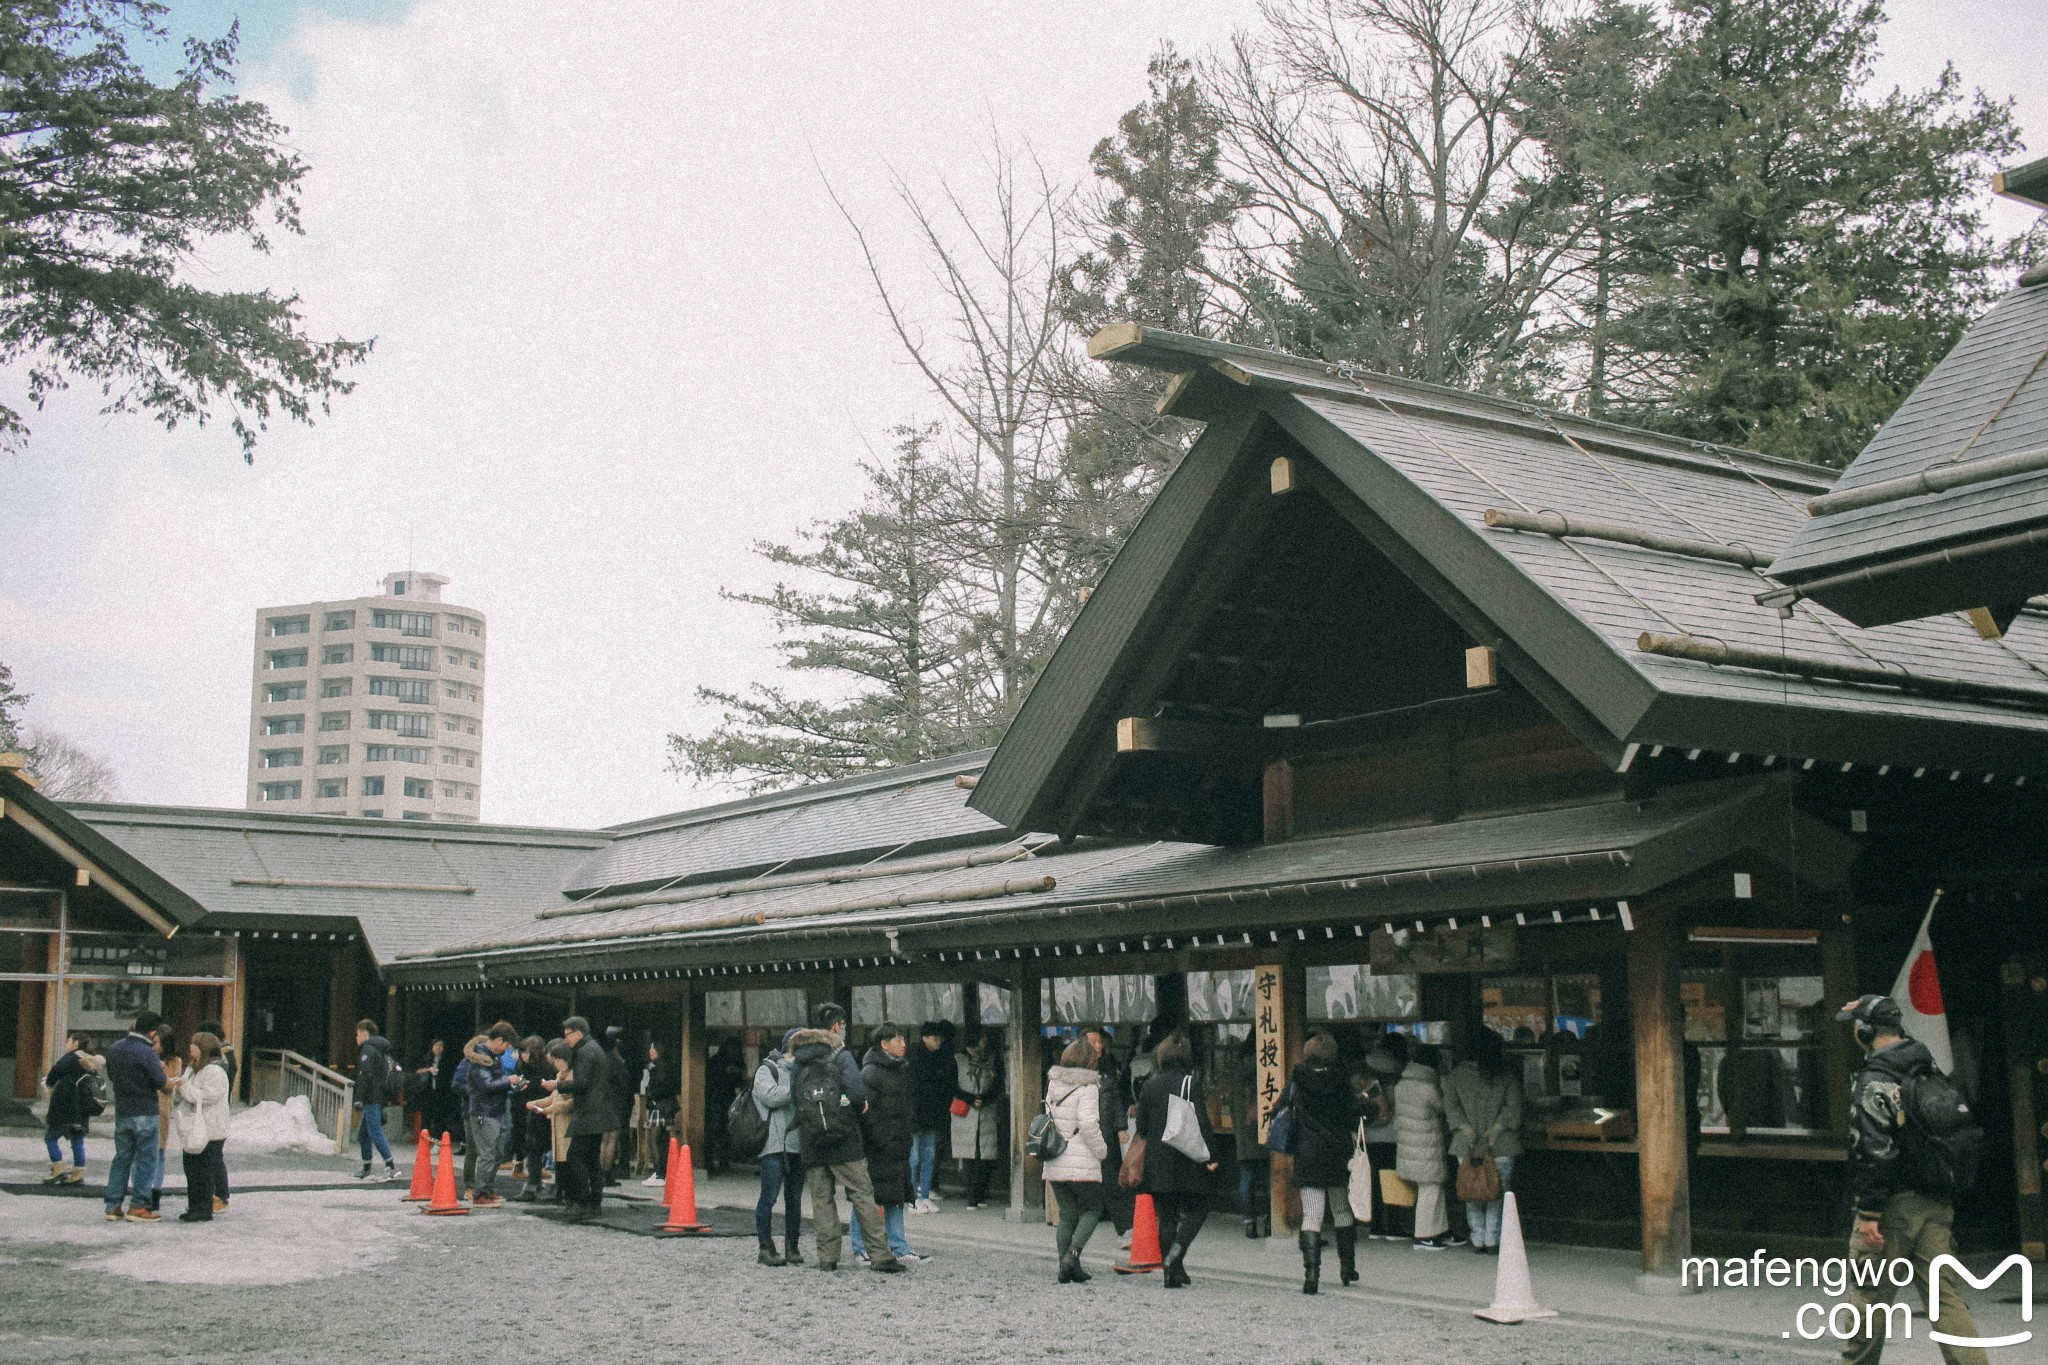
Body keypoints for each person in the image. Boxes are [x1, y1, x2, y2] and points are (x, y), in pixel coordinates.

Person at [1834, 994, 1989, 1365]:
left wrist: (1869, 1212)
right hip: (1936, 1203)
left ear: (1865, 1032)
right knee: (1945, 1298)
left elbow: (1872, 1150)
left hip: (1890, 1209)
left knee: (1869, 1300)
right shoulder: (1929, 1069)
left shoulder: (1874, 1081)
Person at [789, 1002, 903, 1273]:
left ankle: (828, 1257)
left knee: (821, 1199)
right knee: (862, 1194)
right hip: (844, 1139)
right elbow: (857, 1092)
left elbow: (794, 1096)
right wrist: (856, 1104)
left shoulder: (800, 1059)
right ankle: (880, 1254)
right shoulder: (840, 1055)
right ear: (837, 1026)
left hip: (812, 1139)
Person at [1135, 1029, 1219, 1289]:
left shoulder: (1150, 1084)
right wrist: (1212, 1155)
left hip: (1157, 1160)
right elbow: (1201, 1122)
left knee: (1168, 1214)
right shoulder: (1190, 1083)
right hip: (1185, 1158)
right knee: (1200, 1206)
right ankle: (1176, 1255)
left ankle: (1172, 1271)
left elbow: (1142, 1125)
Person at [1286, 1029, 1366, 1293]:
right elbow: (1352, 1113)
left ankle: (1311, 1275)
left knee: (1312, 1214)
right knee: (1342, 1210)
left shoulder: (1297, 1079)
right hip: (1336, 1152)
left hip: (1307, 1153)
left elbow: (1281, 1108)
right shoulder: (1341, 1080)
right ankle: (1347, 1267)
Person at [1443, 1028, 1523, 1256]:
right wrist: (1499, 1126)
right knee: (1497, 1192)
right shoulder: (1506, 1075)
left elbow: (1450, 1105)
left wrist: (1463, 1125)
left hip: (1465, 1144)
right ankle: (1492, 1239)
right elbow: (1514, 1107)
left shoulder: (1456, 1075)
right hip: (1501, 1143)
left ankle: (1477, 1238)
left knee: (1472, 1192)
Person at [851, 1024, 925, 1265]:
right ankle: (860, 1245)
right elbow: (864, 1111)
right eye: (898, 1040)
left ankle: (898, 1245)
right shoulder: (870, 1073)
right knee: (869, 1197)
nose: (904, 1044)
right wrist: (881, 1137)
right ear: (884, 1044)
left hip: (899, 1143)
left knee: (897, 1195)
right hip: (878, 1146)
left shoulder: (902, 1069)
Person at [1043, 1036, 1111, 1283]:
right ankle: (1073, 1255)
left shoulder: (1054, 1084)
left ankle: (1066, 1266)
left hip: (1054, 1158)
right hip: (1080, 1158)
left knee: (1068, 1212)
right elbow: (1088, 1125)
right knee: (1093, 1209)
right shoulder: (1088, 1087)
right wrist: (1102, 1151)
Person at [102, 1010, 168, 1223]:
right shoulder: (148, 1053)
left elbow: (112, 1076)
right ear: (152, 1032)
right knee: (146, 1160)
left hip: (123, 1111)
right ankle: (139, 1205)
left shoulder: (114, 1048)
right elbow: (161, 1083)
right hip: (146, 1111)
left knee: (122, 1158)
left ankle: (113, 1205)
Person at [1395, 1042, 1462, 1250]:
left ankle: (1440, 1230)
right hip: (1426, 1146)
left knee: (1434, 1188)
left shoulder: (1401, 1084)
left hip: (1408, 1147)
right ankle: (1424, 1235)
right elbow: (1444, 1108)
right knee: (1430, 1189)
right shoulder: (1429, 1087)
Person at [549, 1015, 615, 1222]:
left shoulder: (584, 1052)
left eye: (567, 1035)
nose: (565, 1039)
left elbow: (582, 1084)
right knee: (591, 1159)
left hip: (588, 1113)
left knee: (575, 1157)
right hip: (599, 1112)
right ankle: (594, 1202)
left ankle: (581, 1201)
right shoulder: (595, 1048)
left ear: (577, 1033)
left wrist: (557, 1086)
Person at [752, 1027, 804, 1266]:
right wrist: (798, 1089)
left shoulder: (804, 1071)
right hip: (773, 1143)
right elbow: (770, 1096)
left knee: (794, 1199)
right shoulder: (767, 1069)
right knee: (769, 1197)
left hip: (797, 1144)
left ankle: (792, 1246)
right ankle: (765, 1247)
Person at [170, 1032, 230, 1223]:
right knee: (192, 1168)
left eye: (194, 1044)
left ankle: (203, 1209)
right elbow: (187, 1095)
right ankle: (195, 1206)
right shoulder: (192, 1069)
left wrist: (185, 1088)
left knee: (204, 1170)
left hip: (211, 1129)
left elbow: (207, 1096)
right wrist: (178, 1088)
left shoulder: (215, 1071)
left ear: (203, 1047)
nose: (190, 1047)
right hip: (195, 1127)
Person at [456, 1022, 517, 1208]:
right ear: (499, 1040)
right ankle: (480, 1193)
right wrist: (509, 1081)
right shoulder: (479, 1058)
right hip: (483, 1112)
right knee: (487, 1154)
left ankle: (488, 1189)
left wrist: (511, 1083)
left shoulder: (492, 1056)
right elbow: (487, 1085)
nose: (507, 1049)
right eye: (507, 1045)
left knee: (497, 1153)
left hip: (494, 1110)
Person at [1081, 1024, 1132, 1242]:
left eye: (1100, 1041)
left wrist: (1121, 1126)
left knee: (1112, 1181)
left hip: (1106, 1131)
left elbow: (1116, 1098)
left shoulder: (1108, 1066)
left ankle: (1125, 1229)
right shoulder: (1075, 1071)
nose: (1098, 1046)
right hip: (1083, 1133)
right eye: (1093, 1042)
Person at [1363, 1032, 1409, 1240]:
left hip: (1369, 1133)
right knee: (1392, 1178)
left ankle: (1375, 1225)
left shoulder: (1368, 1064)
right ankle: (1394, 1224)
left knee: (1373, 1180)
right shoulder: (1398, 1068)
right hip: (1391, 1134)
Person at [41, 1033, 103, 1186]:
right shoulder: (91, 1061)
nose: (67, 1044)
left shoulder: (70, 1058)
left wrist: (48, 1083)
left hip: (64, 1107)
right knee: (77, 1140)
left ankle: (58, 1168)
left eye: (68, 1041)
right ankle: (78, 1173)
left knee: (50, 1137)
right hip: (82, 1109)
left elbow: (53, 1075)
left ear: (75, 1043)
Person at [906, 1021, 954, 1213]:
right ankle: (912, 1198)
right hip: (916, 1115)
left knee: (929, 1156)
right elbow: (910, 1091)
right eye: (935, 1038)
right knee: (915, 1157)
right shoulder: (913, 1059)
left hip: (933, 1115)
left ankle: (924, 1195)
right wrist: (911, 1116)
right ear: (924, 1038)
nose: (938, 1042)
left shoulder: (941, 1058)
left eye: (940, 1038)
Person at [952, 1032, 1003, 1208]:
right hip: (965, 1110)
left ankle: (981, 1194)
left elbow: (998, 1085)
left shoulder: (992, 1060)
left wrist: (984, 1099)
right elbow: (951, 1086)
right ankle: (972, 1196)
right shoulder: (958, 1060)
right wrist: (970, 1099)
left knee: (985, 1155)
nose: (983, 1046)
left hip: (986, 1109)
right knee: (968, 1155)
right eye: (981, 1041)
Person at [525, 1040, 576, 1204]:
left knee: (566, 1158)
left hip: (566, 1123)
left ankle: (566, 1192)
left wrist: (549, 1109)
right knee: (559, 1158)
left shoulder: (571, 1076)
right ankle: (560, 1190)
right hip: (557, 1123)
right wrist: (536, 1103)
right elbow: (552, 1097)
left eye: (556, 1060)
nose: (553, 1063)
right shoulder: (560, 1076)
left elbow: (571, 1102)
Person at [196, 1018, 237, 1212]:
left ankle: (221, 1195)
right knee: (214, 1155)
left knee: (214, 1156)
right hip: (217, 1113)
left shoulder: (222, 1060)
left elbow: (213, 1091)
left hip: (216, 1113)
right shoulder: (225, 1057)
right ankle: (216, 1194)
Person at [353, 1019, 400, 1182]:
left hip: (372, 1097)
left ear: (365, 1034)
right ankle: (366, 1167)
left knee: (374, 1132)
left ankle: (391, 1166)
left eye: (357, 1034)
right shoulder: (382, 1050)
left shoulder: (368, 1049)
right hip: (379, 1095)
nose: (356, 1038)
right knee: (363, 1134)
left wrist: (359, 1098)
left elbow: (365, 1075)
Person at [513, 1035, 551, 1201]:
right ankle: (534, 1184)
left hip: (541, 1113)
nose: (523, 1055)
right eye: (521, 1052)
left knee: (534, 1148)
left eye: (526, 1052)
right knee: (531, 1149)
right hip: (523, 1112)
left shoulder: (547, 1070)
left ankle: (533, 1185)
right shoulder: (521, 1068)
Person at [149, 1024, 182, 1215]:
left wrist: (160, 1070)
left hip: (162, 1107)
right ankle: (144, 1189)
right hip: (148, 1105)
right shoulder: (148, 1056)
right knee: (145, 1150)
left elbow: (170, 1086)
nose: (153, 1045)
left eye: (157, 1042)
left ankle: (155, 1191)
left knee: (159, 1150)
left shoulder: (174, 1061)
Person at [642, 1041, 681, 1185]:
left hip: (660, 1106)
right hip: (665, 1107)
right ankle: (661, 1173)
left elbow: (660, 1087)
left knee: (655, 1140)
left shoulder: (659, 1068)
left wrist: (651, 1095)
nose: (650, 1050)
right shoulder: (664, 1066)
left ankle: (659, 1174)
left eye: (653, 1048)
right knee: (661, 1141)